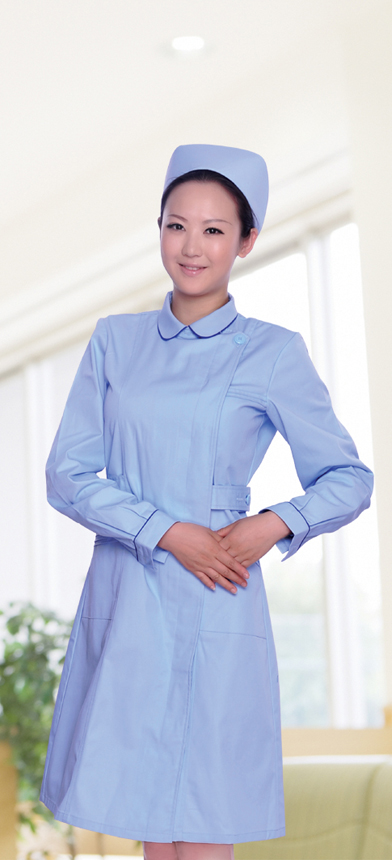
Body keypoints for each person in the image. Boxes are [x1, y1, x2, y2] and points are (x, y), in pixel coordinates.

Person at [40, 144, 373, 860]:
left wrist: (273, 524)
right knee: (150, 826)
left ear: (246, 241)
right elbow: (67, 474)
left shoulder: (272, 352)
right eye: (176, 225)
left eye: (214, 230)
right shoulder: (115, 342)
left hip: (218, 587)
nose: (192, 247)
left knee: (203, 821)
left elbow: (348, 478)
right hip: (129, 592)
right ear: (159, 229)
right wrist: (165, 531)